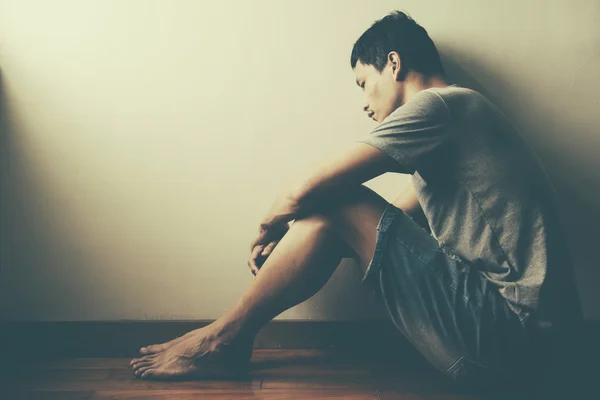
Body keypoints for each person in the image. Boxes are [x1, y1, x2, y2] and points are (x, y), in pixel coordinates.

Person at [129, 10, 583, 387]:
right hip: (515, 352)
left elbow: (314, 188)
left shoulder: (443, 105)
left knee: (337, 198)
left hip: (510, 341)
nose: (364, 104)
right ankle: (226, 337)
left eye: (364, 83)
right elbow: (388, 224)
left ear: (394, 63)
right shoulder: (454, 141)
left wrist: (270, 227)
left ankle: (222, 338)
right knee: (333, 210)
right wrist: (298, 231)